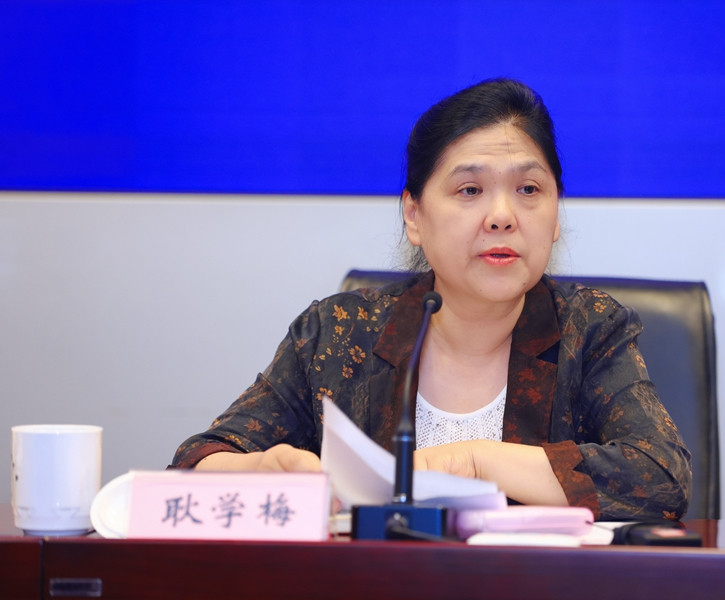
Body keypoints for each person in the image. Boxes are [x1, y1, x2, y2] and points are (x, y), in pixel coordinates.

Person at [170, 78, 692, 521]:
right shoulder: (337, 333)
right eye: (470, 190)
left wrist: (474, 462)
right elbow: (197, 462)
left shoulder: (591, 328)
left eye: (529, 190)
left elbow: (662, 478)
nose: (502, 216)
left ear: (556, 215)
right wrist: (263, 468)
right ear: (414, 216)